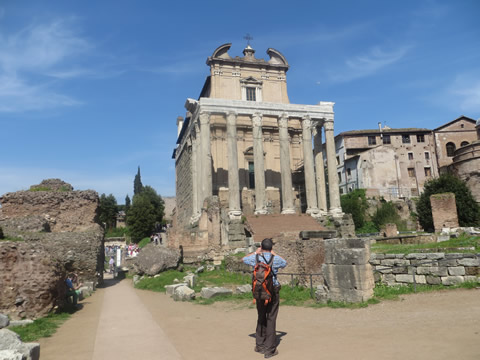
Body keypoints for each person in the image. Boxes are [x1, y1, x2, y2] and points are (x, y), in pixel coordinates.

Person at [243, 238, 287, 358]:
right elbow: (285, 263)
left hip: (259, 292)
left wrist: (256, 252)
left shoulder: (256, 258)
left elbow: (244, 259)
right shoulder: (275, 258)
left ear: (261, 247)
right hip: (272, 292)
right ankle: (269, 350)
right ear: (271, 248)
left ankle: (259, 345)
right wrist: (273, 254)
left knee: (261, 316)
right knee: (271, 318)